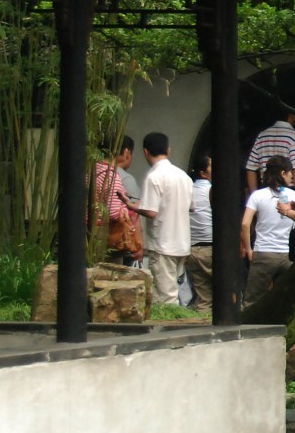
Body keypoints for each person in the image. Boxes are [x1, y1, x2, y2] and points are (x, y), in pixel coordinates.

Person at [134, 132, 194, 303]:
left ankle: (172, 320)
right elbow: (192, 207)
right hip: (182, 243)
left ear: (145, 152)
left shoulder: (154, 177)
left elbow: (151, 211)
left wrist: (133, 207)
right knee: (172, 291)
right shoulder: (184, 176)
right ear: (168, 150)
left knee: (166, 297)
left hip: (163, 243)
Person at [241, 155, 295, 306]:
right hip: (285, 255)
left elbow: (245, 224)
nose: (292, 176)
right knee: (282, 301)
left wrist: (249, 249)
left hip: (262, 253)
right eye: (290, 172)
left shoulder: (258, 195)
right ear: (283, 173)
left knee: (252, 301)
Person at [92, 136, 141, 265]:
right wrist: (128, 210)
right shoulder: (111, 175)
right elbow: (113, 212)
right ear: (126, 152)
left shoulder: (91, 171)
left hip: (89, 230)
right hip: (105, 234)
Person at [246, 109, 295, 192]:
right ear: (291, 115)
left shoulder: (262, 136)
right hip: (289, 190)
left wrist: (254, 194)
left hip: (266, 189)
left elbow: (251, 168)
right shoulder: (294, 136)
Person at [185, 153, 215, 308]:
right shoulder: (212, 190)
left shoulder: (187, 190)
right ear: (203, 173)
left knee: (204, 300)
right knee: (226, 293)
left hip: (192, 250)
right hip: (210, 249)